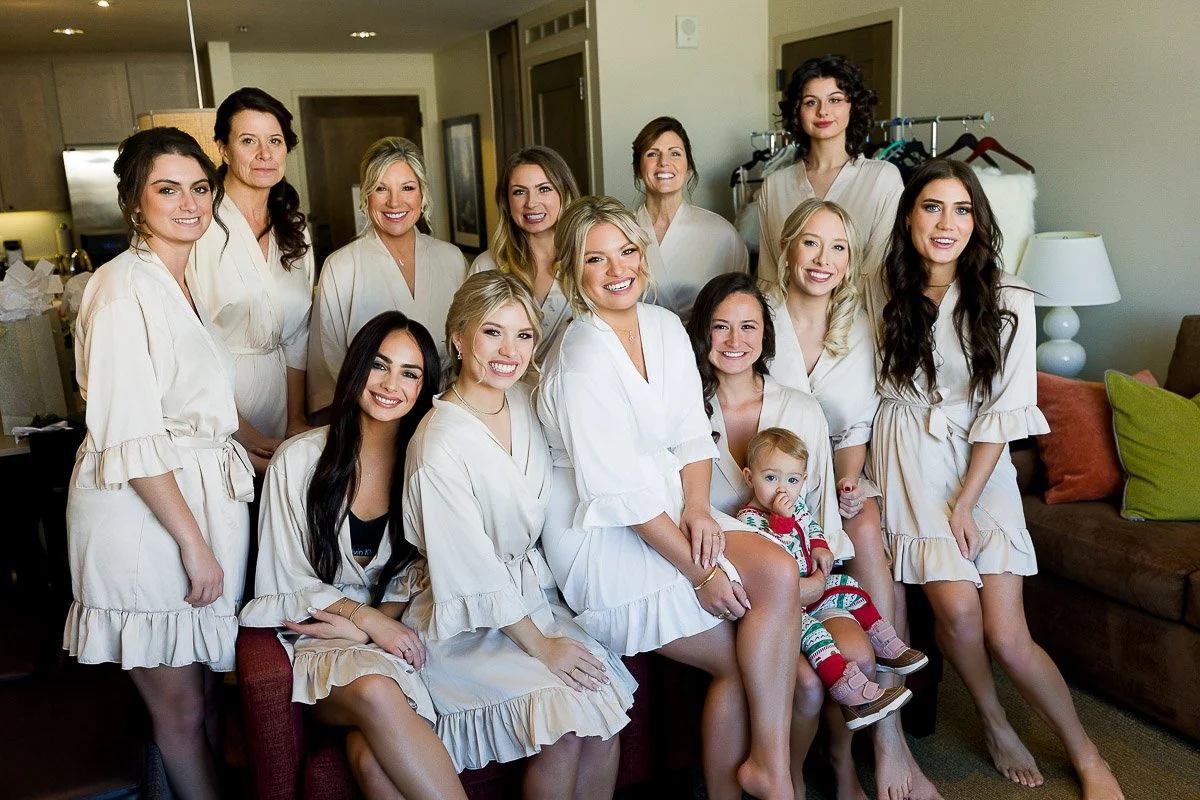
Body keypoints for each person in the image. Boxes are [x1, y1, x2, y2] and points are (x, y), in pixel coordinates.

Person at [872, 158, 1123, 800]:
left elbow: (1002, 411)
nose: (947, 223)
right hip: (905, 457)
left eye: (962, 209)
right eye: (932, 207)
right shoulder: (882, 288)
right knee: (954, 609)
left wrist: (967, 500)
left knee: (1008, 636)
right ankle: (993, 719)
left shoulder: (1008, 296)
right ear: (909, 216)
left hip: (977, 463)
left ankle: (1087, 754)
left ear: (978, 220)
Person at [538, 196, 803, 800]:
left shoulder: (661, 326)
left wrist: (700, 509)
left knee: (781, 571)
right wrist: (701, 571)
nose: (616, 270)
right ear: (573, 272)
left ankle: (770, 766)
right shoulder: (580, 355)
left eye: (626, 252)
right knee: (737, 662)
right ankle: (764, 783)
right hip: (601, 533)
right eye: (596, 259)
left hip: (671, 502)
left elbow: (691, 431)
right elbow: (616, 492)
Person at [64, 127, 254, 800]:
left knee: (202, 695)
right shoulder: (120, 290)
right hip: (146, 518)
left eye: (200, 188)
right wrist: (195, 546)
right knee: (179, 709)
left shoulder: (183, 280)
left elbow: (197, 399)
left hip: (190, 504)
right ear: (133, 200)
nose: (189, 203)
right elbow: (131, 435)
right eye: (167, 189)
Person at [402, 271, 636, 795]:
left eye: (523, 334)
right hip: (465, 619)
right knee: (569, 720)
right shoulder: (439, 444)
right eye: (492, 333)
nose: (509, 350)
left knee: (606, 710)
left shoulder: (527, 399)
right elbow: (471, 571)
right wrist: (543, 646)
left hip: (533, 597)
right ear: (458, 338)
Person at [239, 312, 467, 800]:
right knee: (374, 689)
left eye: (410, 373)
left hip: (401, 631)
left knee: (370, 758)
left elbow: (434, 568)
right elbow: (282, 579)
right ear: (356, 368)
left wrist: (374, 623)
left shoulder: (428, 464)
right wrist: (362, 619)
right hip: (322, 639)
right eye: (379, 366)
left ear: (425, 386)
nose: (391, 385)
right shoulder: (298, 460)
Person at [766, 197, 942, 800]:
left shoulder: (855, 324)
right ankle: (872, 744)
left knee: (866, 523)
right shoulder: (759, 316)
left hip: (829, 480)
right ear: (788, 248)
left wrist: (848, 478)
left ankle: (891, 738)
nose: (823, 258)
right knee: (862, 538)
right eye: (810, 243)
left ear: (848, 263)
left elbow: (853, 428)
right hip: (766, 486)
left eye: (837, 247)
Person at [735, 428, 923, 727]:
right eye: (771, 478)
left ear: (803, 481)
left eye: (792, 480)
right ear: (749, 477)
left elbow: (811, 528)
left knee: (852, 588)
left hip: (813, 587)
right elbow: (771, 560)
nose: (782, 489)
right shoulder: (749, 519)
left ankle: (884, 646)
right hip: (784, 607)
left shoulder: (796, 506)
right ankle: (851, 694)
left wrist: (821, 546)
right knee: (816, 637)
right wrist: (781, 523)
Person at [191, 87, 315, 473]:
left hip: (282, 404)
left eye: (274, 141)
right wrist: (238, 428)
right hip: (215, 415)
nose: (265, 154)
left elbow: (299, 334)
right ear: (222, 149)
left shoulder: (295, 228)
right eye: (249, 141)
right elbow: (189, 340)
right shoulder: (197, 223)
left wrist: (296, 421)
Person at [308, 136, 468, 415]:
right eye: (381, 188)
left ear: (422, 194)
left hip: (447, 414)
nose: (395, 202)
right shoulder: (342, 266)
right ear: (366, 196)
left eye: (407, 188)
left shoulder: (452, 259)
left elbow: (467, 344)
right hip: (373, 416)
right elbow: (328, 363)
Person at [758, 55, 902, 283]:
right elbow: (768, 274)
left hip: (861, 316)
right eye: (811, 102)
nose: (823, 111)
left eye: (834, 100)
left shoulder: (882, 179)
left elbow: (878, 271)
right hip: (787, 316)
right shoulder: (775, 185)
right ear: (797, 111)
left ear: (852, 106)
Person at [469, 145, 580, 364]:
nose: (531, 203)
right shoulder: (487, 266)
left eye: (544, 189)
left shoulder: (589, 260)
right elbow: (468, 341)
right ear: (507, 202)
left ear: (564, 192)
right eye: (519, 192)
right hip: (505, 393)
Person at [632, 116, 748, 321]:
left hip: (699, 348)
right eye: (652, 154)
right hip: (636, 348)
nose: (664, 163)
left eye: (675, 154)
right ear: (638, 169)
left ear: (689, 167)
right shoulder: (620, 232)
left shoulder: (722, 235)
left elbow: (741, 306)